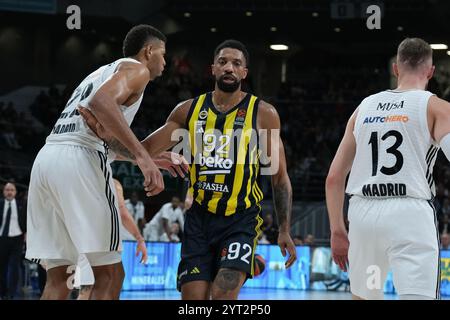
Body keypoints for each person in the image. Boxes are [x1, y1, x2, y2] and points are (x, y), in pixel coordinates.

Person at [80, 39, 297, 300]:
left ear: (244, 73)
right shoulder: (187, 111)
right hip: (199, 221)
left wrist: (284, 228)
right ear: (213, 69)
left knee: (222, 295)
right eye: (223, 62)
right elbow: (145, 151)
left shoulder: (264, 114)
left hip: (241, 219)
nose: (229, 67)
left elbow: (280, 177)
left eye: (236, 63)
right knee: (192, 300)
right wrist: (105, 135)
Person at [25, 24, 187, 300]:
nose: (165, 62)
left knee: (60, 277)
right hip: (80, 160)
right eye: (163, 54)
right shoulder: (138, 70)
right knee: (110, 275)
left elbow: (101, 133)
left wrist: (148, 158)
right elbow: (101, 103)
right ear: (148, 51)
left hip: (47, 160)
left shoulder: (100, 73)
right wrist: (142, 157)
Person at [326, 38, 446, 300]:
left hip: (363, 215)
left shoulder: (364, 108)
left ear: (395, 69)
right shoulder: (436, 107)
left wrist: (337, 229)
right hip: (409, 215)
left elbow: (334, 178)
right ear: (430, 71)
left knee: (365, 296)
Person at [76, 179, 148, 300]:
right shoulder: (112, 182)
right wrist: (139, 238)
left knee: (86, 289)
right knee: (112, 280)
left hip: (81, 238)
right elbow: (123, 213)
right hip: (103, 240)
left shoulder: (81, 178)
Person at [0, 182, 26, 299]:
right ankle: (3, 292)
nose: (9, 192)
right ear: (4, 192)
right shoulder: (0, 204)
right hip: (2, 238)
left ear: (15, 192)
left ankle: (12, 293)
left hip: (17, 238)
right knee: (2, 266)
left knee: (14, 266)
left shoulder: (21, 204)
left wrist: (26, 233)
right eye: (7, 190)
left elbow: (26, 220)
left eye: (12, 190)